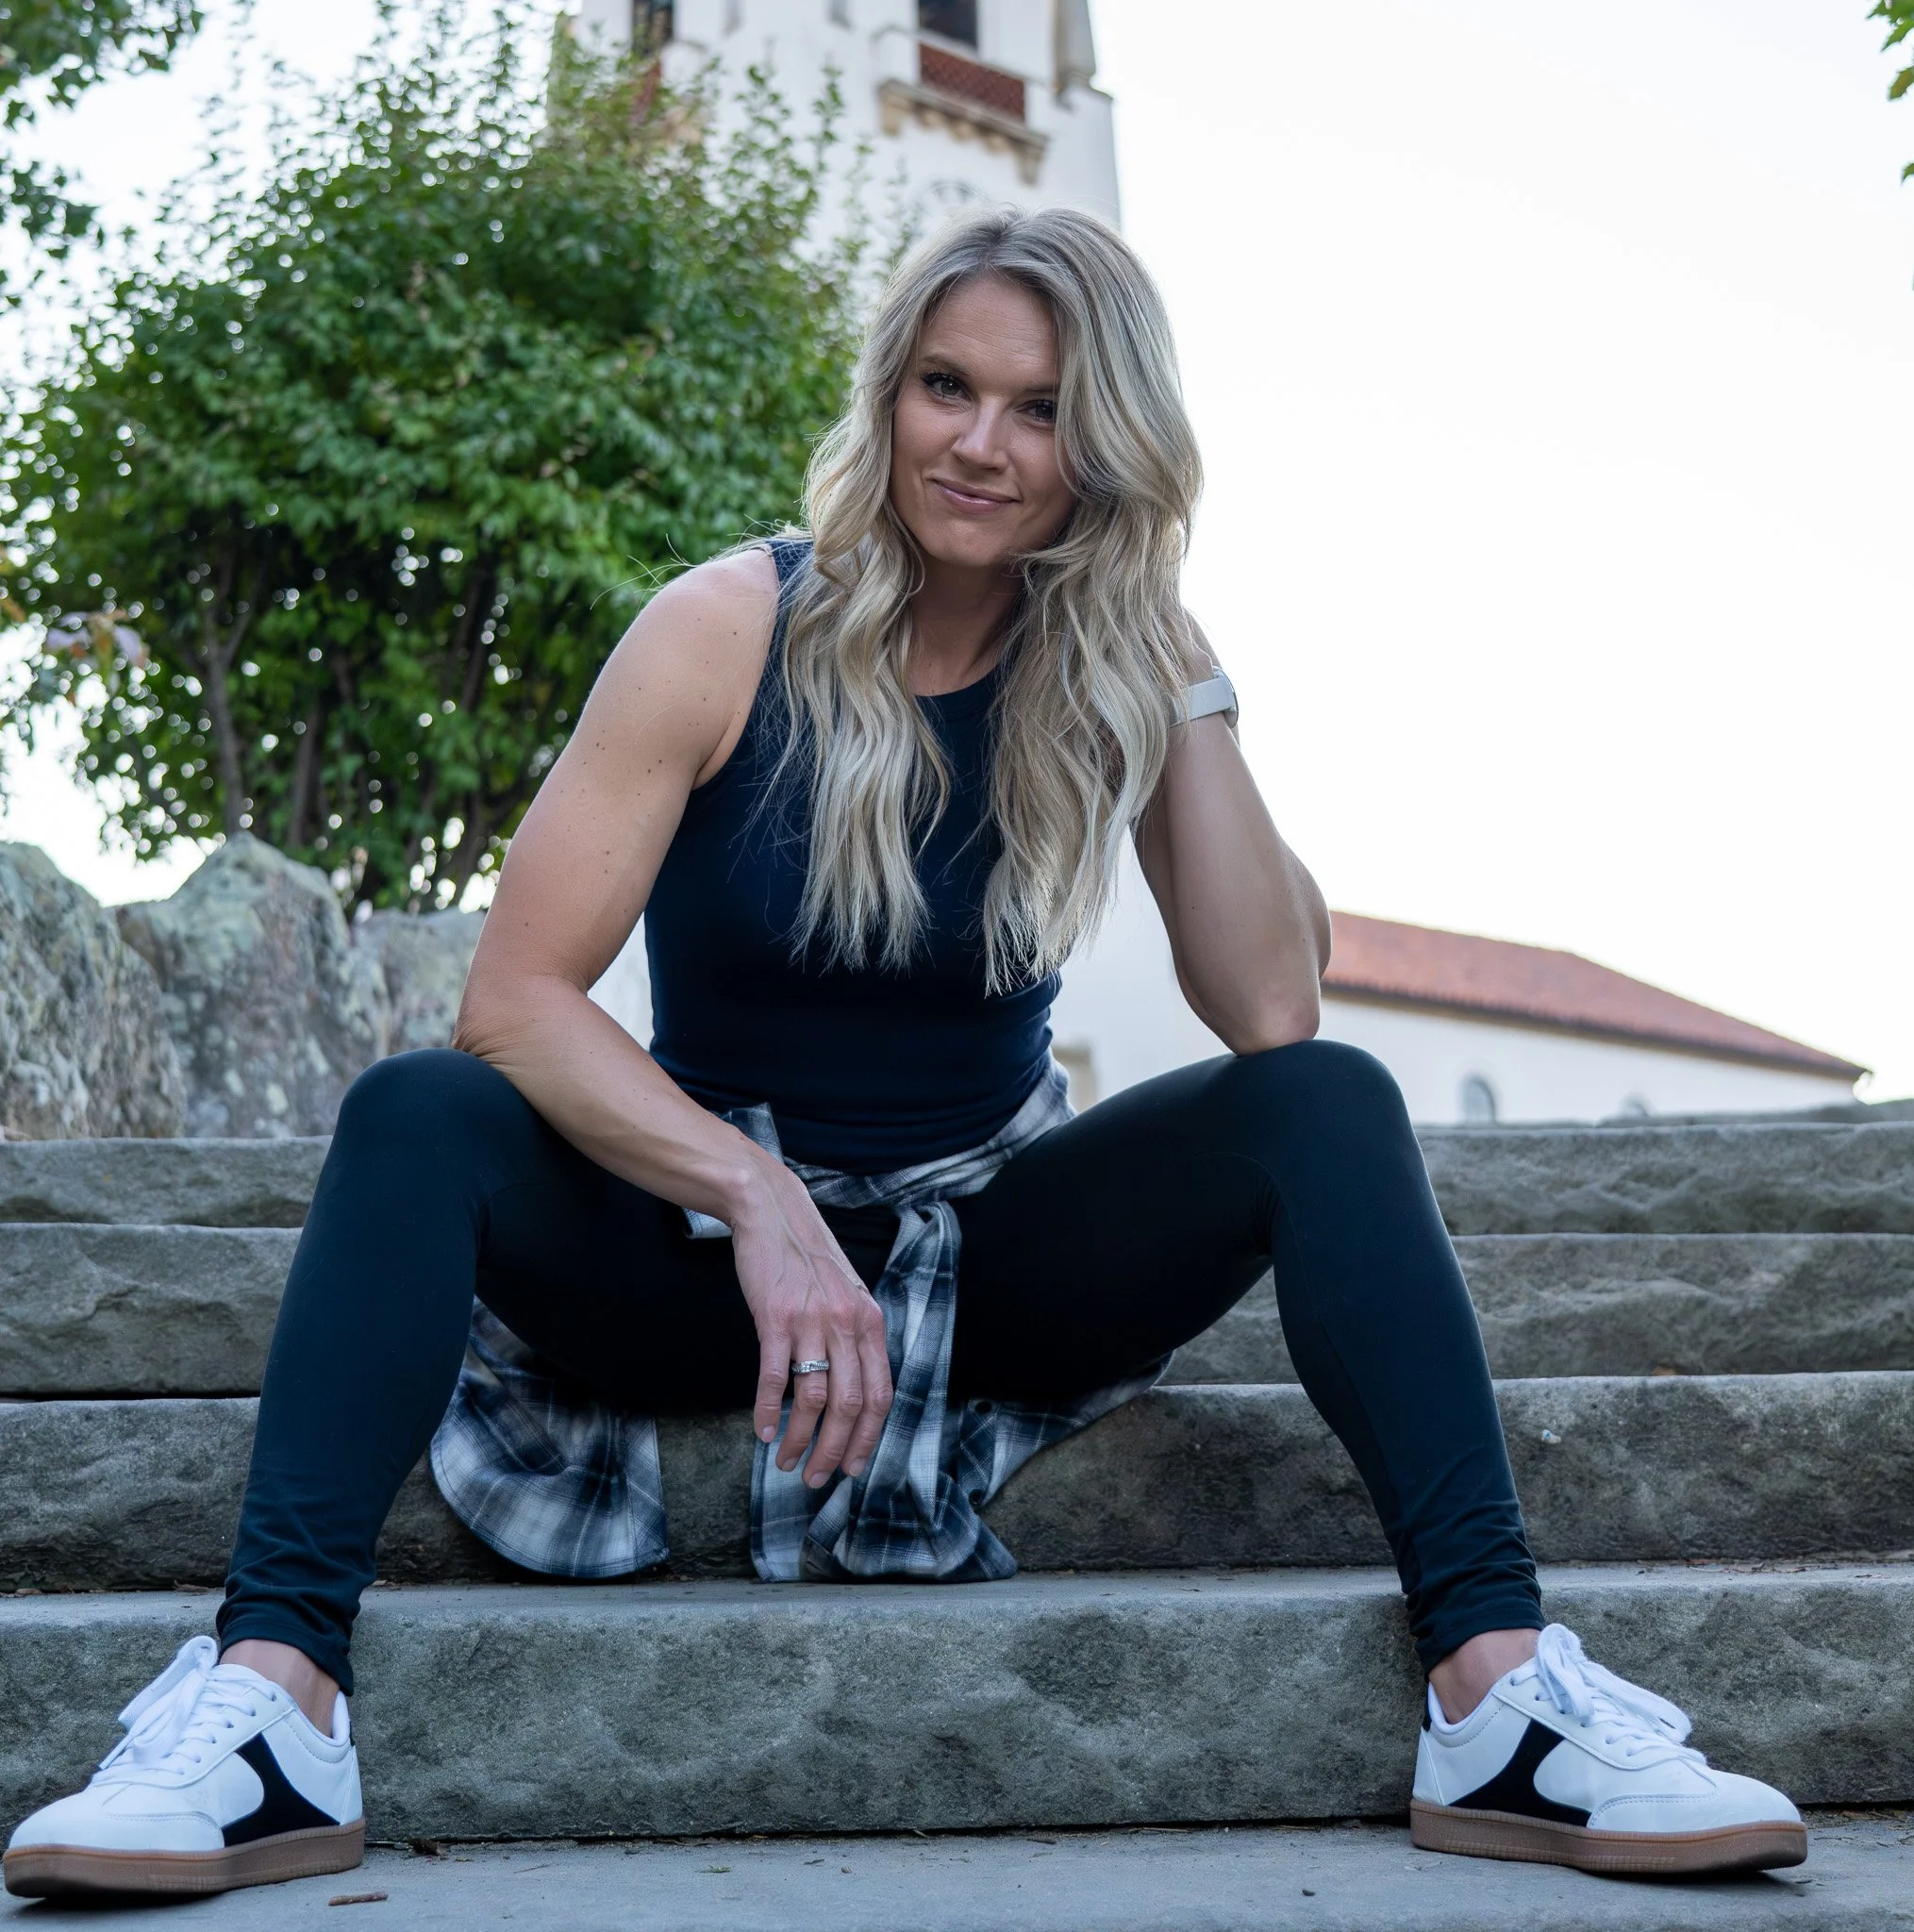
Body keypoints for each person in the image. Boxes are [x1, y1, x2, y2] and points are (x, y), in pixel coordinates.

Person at [4, 206, 1805, 1902]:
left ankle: (1497, 1696)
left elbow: (1269, 1010)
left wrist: (1179, 667)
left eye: (1044, 410)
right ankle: (274, 1702)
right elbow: (518, 1000)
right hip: (701, 1261)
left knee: (1329, 1106)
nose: (983, 445)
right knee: (416, 1111)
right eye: (950, 386)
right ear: (889, 394)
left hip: (985, 1252)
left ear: (1108, 448)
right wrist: (755, 1195)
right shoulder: (726, 628)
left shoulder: (1114, 672)